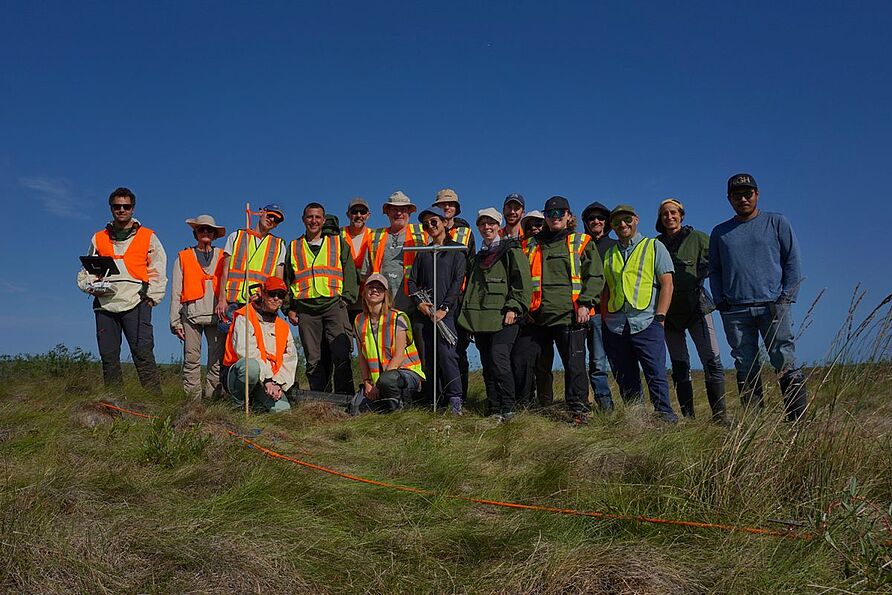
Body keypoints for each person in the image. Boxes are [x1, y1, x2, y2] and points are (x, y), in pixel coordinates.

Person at [709, 173, 807, 421]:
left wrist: (786, 297)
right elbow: (715, 269)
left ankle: (797, 420)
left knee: (784, 358)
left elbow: (792, 260)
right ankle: (755, 422)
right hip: (735, 310)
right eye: (737, 195)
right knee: (745, 364)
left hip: (773, 306)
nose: (743, 198)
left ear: (757, 194)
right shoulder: (720, 232)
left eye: (748, 193)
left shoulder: (776, 222)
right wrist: (721, 302)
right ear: (729, 198)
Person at [77, 187, 166, 393]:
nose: (121, 210)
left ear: (133, 209)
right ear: (111, 209)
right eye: (117, 206)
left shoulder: (148, 236)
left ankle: (155, 404)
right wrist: (91, 287)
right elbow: (88, 270)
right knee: (109, 357)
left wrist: (152, 297)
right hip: (105, 303)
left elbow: (158, 268)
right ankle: (115, 405)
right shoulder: (98, 237)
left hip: (136, 301)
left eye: (126, 206)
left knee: (143, 353)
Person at [528, 196, 604, 423]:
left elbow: (595, 276)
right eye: (550, 214)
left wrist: (585, 303)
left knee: (575, 366)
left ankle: (579, 410)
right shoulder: (532, 243)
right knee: (540, 366)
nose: (555, 217)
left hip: (571, 316)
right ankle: (543, 406)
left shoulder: (581, 241)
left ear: (569, 215)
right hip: (538, 317)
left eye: (560, 213)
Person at [601, 205, 678, 423]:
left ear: (636, 219)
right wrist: (606, 318)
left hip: (647, 321)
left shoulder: (654, 246)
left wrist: (660, 317)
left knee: (655, 373)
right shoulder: (609, 253)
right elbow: (606, 289)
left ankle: (665, 418)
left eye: (626, 220)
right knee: (625, 377)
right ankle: (636, 421)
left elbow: (667, 284)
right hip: (616, 324)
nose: (622, 225)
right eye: (616, 222)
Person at [656, 199, 727, 422]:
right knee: (679, 364)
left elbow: (720, 259)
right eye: (665, 214)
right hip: (669, 312)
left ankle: (720, 416)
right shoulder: (656, 244)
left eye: (673, 212)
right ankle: (689, 418)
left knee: (711, 359)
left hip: (698, 309)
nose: (669, 217)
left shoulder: (698, 238)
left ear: (682, 215)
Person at [458, 208, 531, 420]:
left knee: (500, 361)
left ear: (498, 226)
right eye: (482, 224)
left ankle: (508, 408)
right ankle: (493, 407)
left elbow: (522, 282)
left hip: (504, 317)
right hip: (480, 319)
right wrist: (469, 320)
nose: (486, 227)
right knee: (488, 366)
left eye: (491, 223)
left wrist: (514, 307)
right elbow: (472, 289)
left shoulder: (511, 250)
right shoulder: (478, 256)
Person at [285, 202, 358, 395]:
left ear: (323, 220)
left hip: (334, 305)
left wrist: (347, 299)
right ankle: (320, 399)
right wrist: (289, 308)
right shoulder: (293, 246)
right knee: (313, 359)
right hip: (306, 310)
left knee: (341, 353)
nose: (314, 221)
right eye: (310, 217)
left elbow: (349, 271)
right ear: (303, 220)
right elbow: (287, 278)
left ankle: (345, 399)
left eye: (317, 217)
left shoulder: (337, 242)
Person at [407, 206, 467, 414]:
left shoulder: (457, 250)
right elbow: (412, 282)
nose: (430, 226)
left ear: (444, 223)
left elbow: (457, 281)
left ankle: (455, 398)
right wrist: (421, 305)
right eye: (426, 224)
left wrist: (444, 308)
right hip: (426, 314)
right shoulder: (423, 253)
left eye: (434, 222)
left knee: (447, 353)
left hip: (446, 314)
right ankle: (434, 398)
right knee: (428, 356)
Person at [169, 215, 227, 399]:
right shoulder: (183, 256)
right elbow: (176, 290)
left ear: (215, 234)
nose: (205, 232)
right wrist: (175, 322)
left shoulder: (223, 256)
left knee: (216, 362)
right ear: (195, 232)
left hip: (217, 315)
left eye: (209, 229)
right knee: (191, 360)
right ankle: (193, 403)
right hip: (191, 315)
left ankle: (212, 400)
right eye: (201, 229)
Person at [222, 276, 297, 413]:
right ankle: (237, 404)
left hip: (269, 382)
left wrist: (278, 383)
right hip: (239, 375)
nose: (276, 298)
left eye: (280, 296)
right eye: (272, 294)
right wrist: (267, 379)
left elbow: (290, 359)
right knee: (250, 367)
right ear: (262, 293)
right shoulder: (245, 316)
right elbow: (245, 351)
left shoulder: (283, 327)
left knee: (283, 411)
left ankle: (256, 405)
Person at [354, 273, 425, 412]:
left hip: (405, 374)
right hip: (378, 381)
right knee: (357, 409)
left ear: (385, 294)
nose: (374, 290)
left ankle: (399, 412)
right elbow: (362, 357)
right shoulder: (358, 321)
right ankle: (386, 405)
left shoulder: (397, 317)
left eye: (379, 288)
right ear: (364, 292)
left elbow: (398, 356)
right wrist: (367, 383)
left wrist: (378, 386)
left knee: (388, 380)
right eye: (371, 287)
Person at [432, 188, 476, 400]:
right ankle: (440, 396)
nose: (447, 207)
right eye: (443, 204)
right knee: (439, 352)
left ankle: (461, 397)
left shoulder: (466, 232)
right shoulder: (430, 228)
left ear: (456, 208)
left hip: (459, 300)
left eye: (450, 204)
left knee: (458, 349)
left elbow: (472, 267)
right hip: (435, 299)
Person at [215, 204, 286, 321]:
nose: (272, 220)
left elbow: (278, 280)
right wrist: (221, 300)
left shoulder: (279, 245)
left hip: (259, 303)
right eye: (270, 215)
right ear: (261, 212)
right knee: (231, 338)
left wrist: (264, 296)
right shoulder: (236, 237)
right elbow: (225, 271)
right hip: (232, 302)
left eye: (276, 220)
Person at [511, 209, 553, 408]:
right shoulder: (519, 248)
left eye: (539, 224)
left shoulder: (552, 246)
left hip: (547, 315)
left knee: (544, 364)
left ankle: (546, 403)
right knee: (522, 361)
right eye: (530, 225)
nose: (535, 228)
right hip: (526, 316)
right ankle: (525, 402)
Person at [580, 201, 617, 412]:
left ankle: (606, 407)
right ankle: (581, 404)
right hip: (579, 311)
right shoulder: (579, 244)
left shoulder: (614, 246)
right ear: (585, 222)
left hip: (605, 314)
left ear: (606, 223)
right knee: (577, 362)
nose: (596, 221)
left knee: (599, 363)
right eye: (592, 218)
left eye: (600, 218)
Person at [341, 197, 373, 323]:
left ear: (368, 215)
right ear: (348, 214)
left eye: (362, 212)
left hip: (366, 297)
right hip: (344, 297)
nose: (359, 215)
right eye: (354, 212)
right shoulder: (338, 235)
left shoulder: (375, 236)